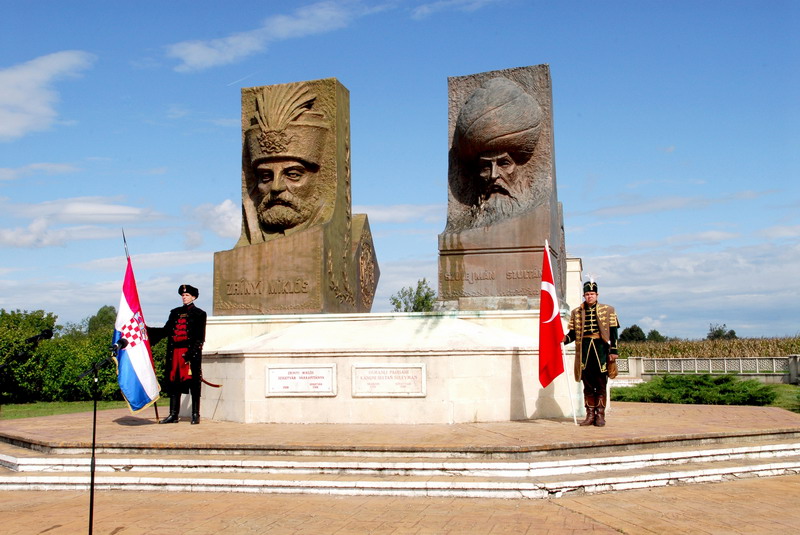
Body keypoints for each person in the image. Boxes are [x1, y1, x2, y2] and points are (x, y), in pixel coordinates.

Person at [563, 280, 620, 427]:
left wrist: (614, 350)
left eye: (592, 294)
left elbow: (613, 332)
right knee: (587, 384)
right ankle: (589, 415)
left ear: (597, 294)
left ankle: (600, 415)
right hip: (584, 350)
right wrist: (563, 339)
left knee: (601, 383)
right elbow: (573, 334)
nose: (589, 297)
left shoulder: (608, 310)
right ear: (584, 295)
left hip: (600, 349)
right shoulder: (577, 312)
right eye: (587, 294)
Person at [147, 284, 207, 424]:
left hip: (189, 354)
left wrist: (191, 353)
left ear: (194, 297)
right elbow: (165, 331)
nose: (184, 297)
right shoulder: (175, 313)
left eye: (187, 295)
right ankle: (173, 415)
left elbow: (199, 338)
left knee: (194, 384)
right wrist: (145, 330)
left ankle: (195, 414)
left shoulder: (199, 314)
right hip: (174, 354)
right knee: (174, 383)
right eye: (183, 295)